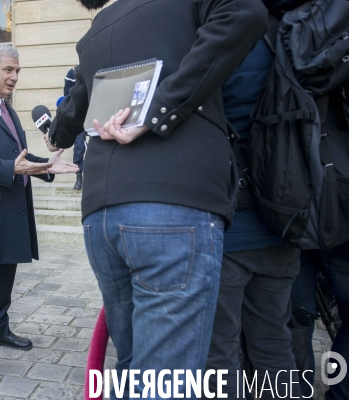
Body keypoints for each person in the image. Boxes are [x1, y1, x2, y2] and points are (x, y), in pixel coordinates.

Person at [49, 0, 267, 397]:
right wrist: (159, 110)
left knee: (133, 368)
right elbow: (246, 11)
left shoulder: (101, 24)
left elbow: (72, 110)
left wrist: (55, 136)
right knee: (165, 379)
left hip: (102, 217)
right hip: (172, 205)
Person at [0, 44, 78, 384]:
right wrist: (14, 168)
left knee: (5, 273)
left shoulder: (7, 109)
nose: (14, 77)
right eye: (8, 70)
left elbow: (17, 155)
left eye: (17, 71)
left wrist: (48, 165)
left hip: (10, 207)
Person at [204, 4, 303, 398]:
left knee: (219, 355)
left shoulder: (224, 38)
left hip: (228, 228)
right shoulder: (290, 36)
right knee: (274, 345)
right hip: (286, 222)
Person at [291, 247, 349, 399]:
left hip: (298, 237)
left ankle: (300, 394)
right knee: (298, 323)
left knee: (299, 322)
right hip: (340, 238)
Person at [64, 66, 87, 190]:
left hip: (96, 114)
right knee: (79, 147)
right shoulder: (72, 73)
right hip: (79, 117)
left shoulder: (95, 68)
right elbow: (67, 96)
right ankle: (79, 176)